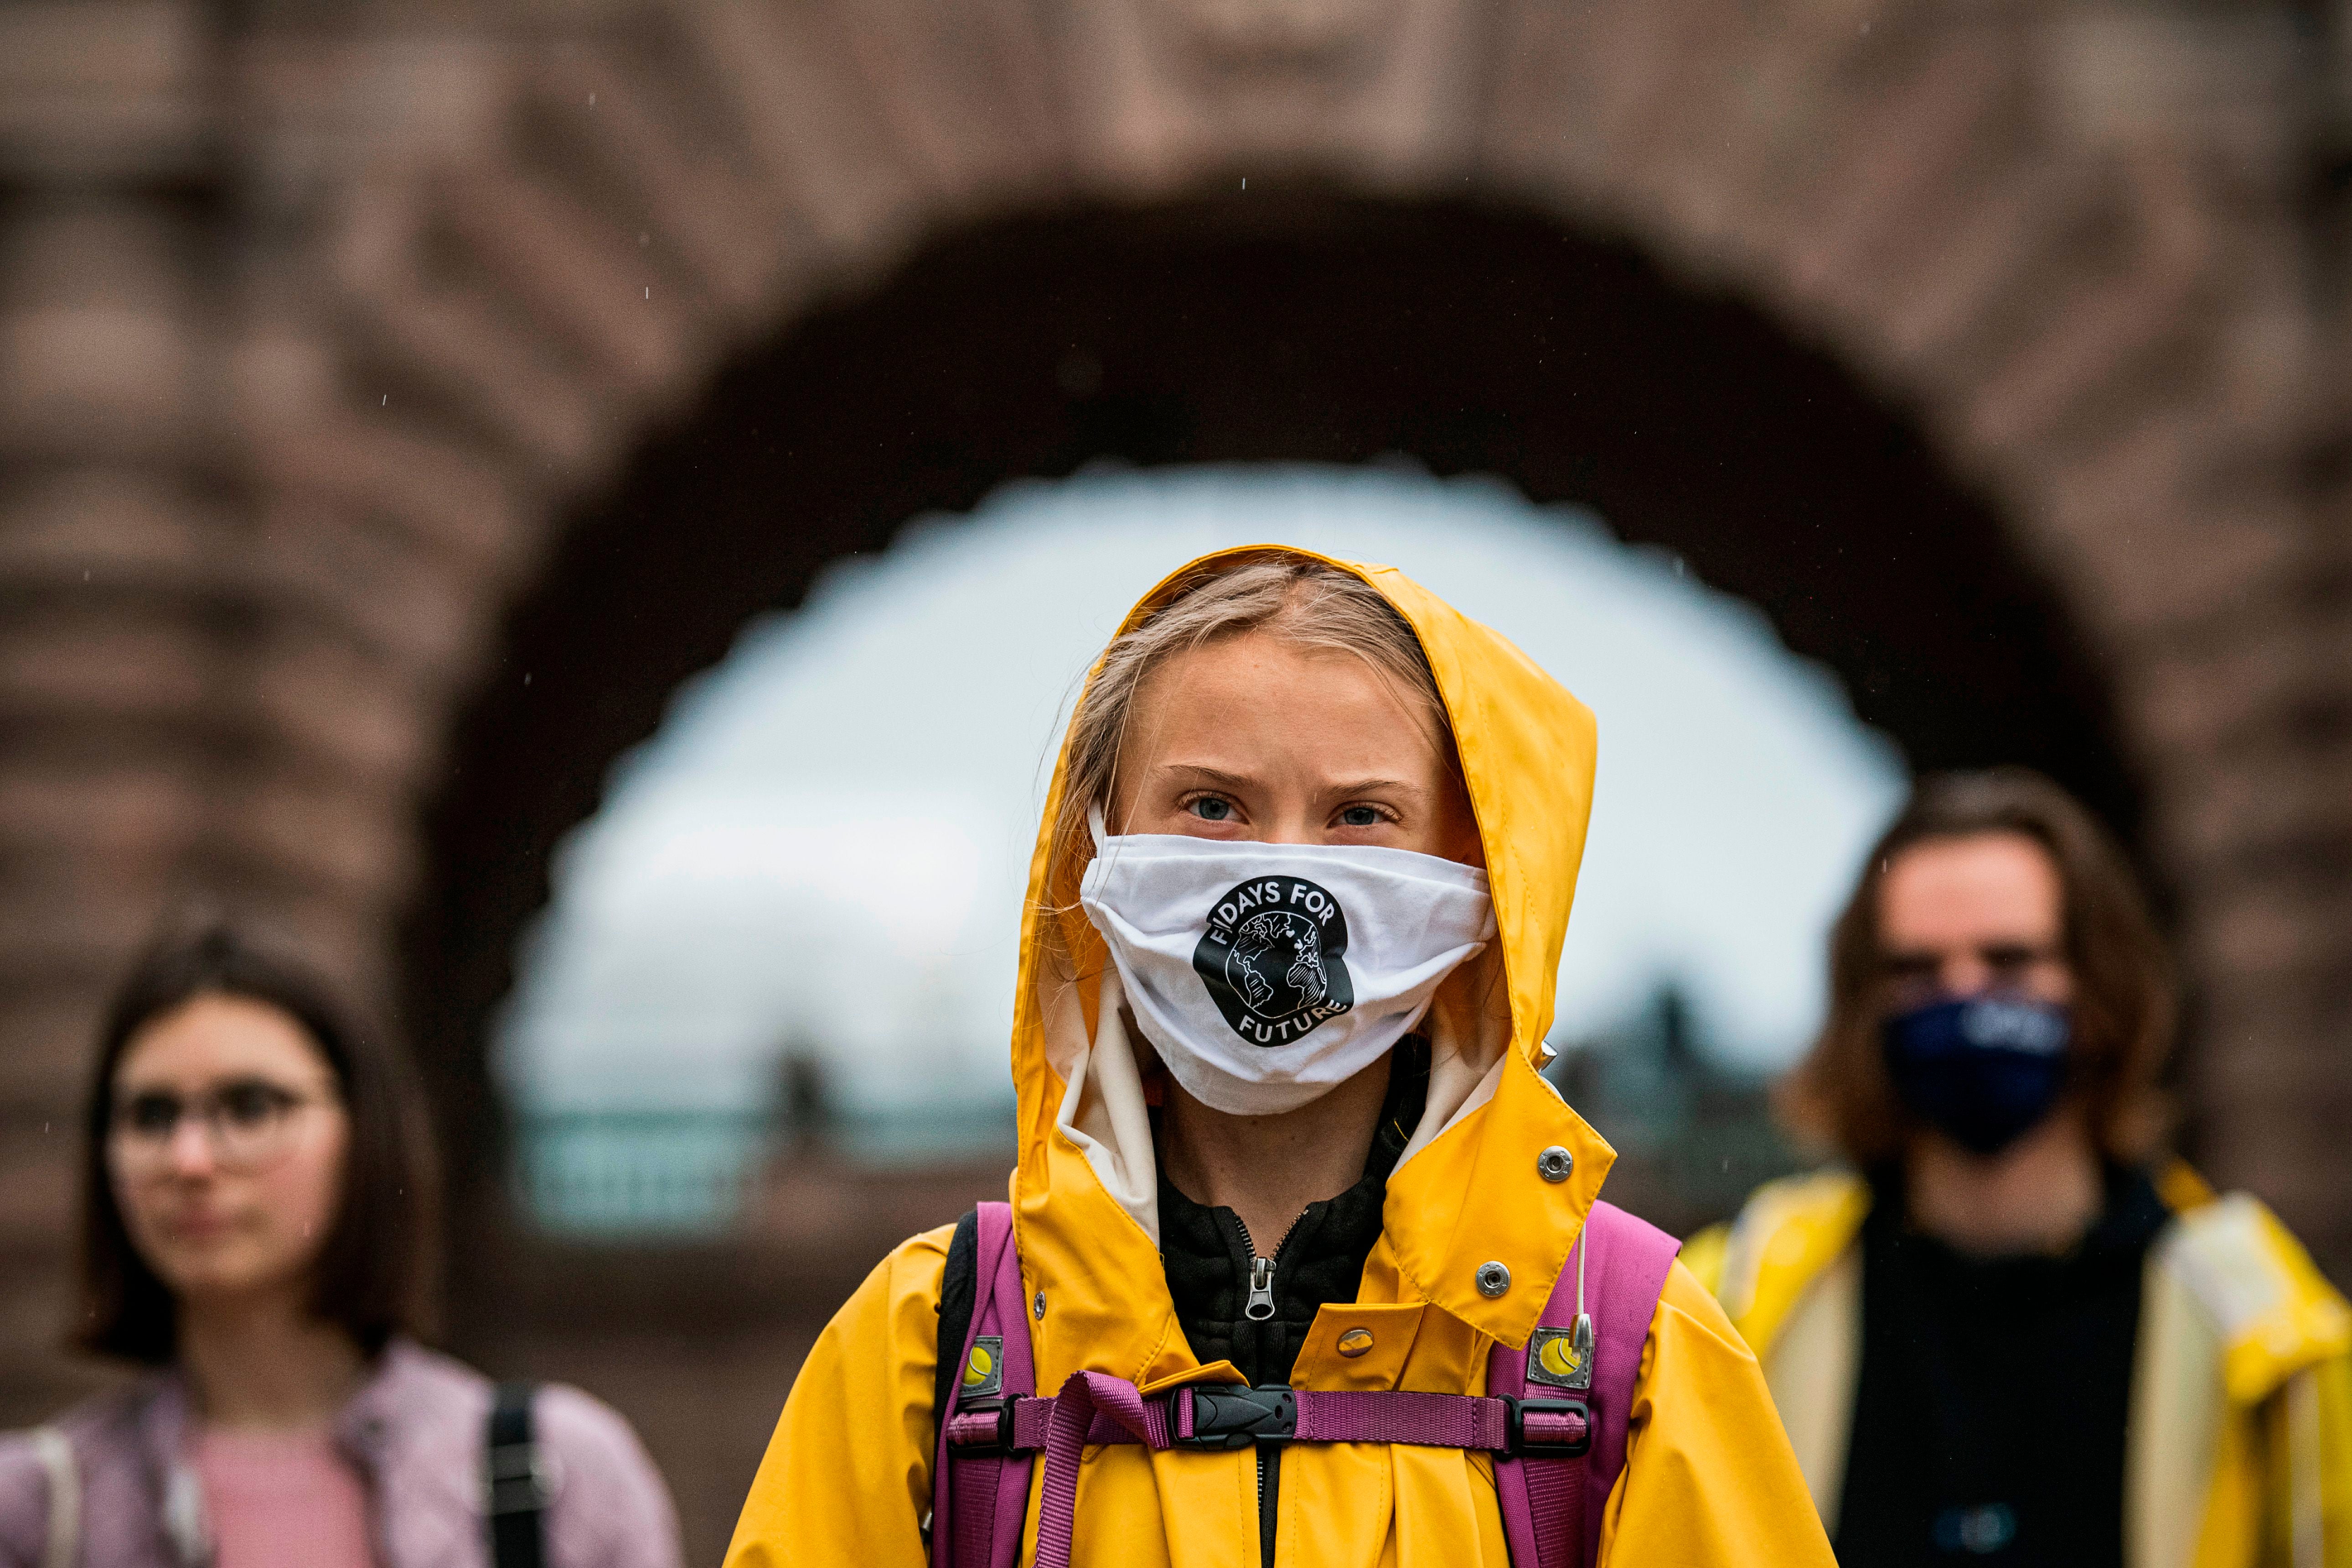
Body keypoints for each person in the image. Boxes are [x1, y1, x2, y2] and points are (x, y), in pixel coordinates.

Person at [725, 548, 1835, 1567]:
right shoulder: (932, 1343)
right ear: (1097, 841)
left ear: (1483, 875)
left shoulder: (1627, 1350)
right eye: (1213, 806)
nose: (1283, 875)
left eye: (1360, 815)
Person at [1685, 769, 2352, 1568]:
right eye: (1918, 971)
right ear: (1866, 1002)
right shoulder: (1737, 1309)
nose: (1966, 998)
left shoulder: (2266, 1334)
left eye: (2009, 961)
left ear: (2098, 984)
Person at [0, 923, 683, 1568]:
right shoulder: (39, 1514)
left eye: (249, 1107)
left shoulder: (558, 1478)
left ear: (365, 1133)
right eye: (151, 1115)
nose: (190, 1160)